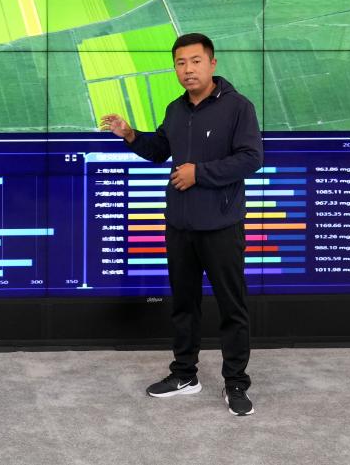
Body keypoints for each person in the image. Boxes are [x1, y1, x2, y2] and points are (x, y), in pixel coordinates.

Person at [99, 32, 262, 417]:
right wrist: (130, 135)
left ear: (212, 64)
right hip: (180, 227)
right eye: (180, 63)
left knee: (232, 308)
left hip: (221, 227)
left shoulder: (238, 107)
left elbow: (251, 158)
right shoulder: (176, 109)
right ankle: (185, 374)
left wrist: (199, 173)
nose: (187, 69)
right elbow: (160, 150)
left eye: (195, 61)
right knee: (184, 306)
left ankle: (236, 381)